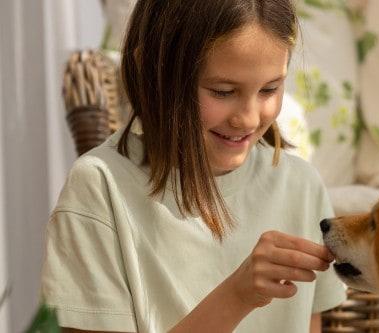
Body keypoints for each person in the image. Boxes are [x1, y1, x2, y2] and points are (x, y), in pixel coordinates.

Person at [40, 1, 346, 332]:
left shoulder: (300, 186)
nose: (248, 117)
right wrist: (237, 296)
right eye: (223, 91)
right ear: (153, 72)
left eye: (270, 89)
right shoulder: (100, 188)